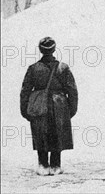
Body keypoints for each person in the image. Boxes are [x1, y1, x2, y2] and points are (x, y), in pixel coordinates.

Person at [20, 37, 78, 176]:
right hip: (59, 105)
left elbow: (25, 91)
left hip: (39, 105)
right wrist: (71, 109)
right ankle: (56, 166)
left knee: (41, 134)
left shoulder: (33, 68)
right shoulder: (63, 68)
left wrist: (25, 110)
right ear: (53, 49)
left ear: (40, 50)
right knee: (57, 133)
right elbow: (72, 90)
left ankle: (43, 165)